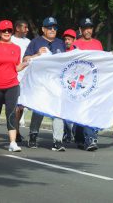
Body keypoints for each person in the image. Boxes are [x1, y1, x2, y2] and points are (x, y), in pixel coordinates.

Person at [0, 20, 28, 152]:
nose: (7, 33)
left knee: (11, 113)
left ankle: (13, 143)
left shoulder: (16, 48)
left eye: (9, 30)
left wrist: (25, 64)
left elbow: (16, 67)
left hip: (12, 85)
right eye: (4, 31)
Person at [23, 17, 66, 151]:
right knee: (39, 109)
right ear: (43, 29)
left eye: (55, 27)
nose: (52, 30)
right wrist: (37, 54)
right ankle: (33, 136)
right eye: (49, 27)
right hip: (40, 83)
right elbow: (25, 59)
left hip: (56, 83)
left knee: (58, 111)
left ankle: (58, 141)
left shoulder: (60, 43)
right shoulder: (35, 42)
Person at [73, 18, 103, 151]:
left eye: (90, 28)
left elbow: (103, 62)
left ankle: (90, 139)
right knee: (80, 110)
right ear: (80, 30)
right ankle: (79, 137)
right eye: (85, 28)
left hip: (93, 82)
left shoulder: (98, 44)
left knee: (89, 110)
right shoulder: (75, 44)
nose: (88, 30)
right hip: (79, 83)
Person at [11, 20, 31, 142]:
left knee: (21, 107)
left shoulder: (28, 42)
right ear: (17, 28)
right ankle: (15, 131)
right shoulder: (11, 40)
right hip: (13, 76)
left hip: (25, 77)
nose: (27, 30)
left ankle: (16, 129)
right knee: (15, 106)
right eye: (25, 27)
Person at [62, 28, 78, 143]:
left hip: (75, 84)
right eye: (66, 39)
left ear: (74, 40)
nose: (67, 41)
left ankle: (74, 133)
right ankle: (67, 133)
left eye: (69, 39)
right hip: (63, 85)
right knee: (64, 110)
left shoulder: (78, 52)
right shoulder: (61, 52)